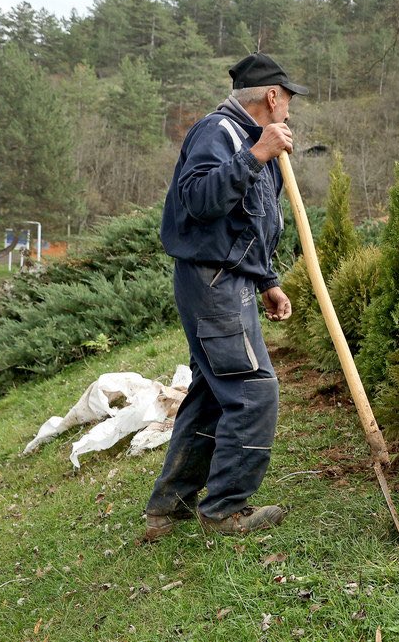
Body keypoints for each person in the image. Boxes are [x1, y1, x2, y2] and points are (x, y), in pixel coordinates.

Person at [143, 53, 305, 541]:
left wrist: (267, 280)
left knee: (214, 392)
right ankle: (225, 511)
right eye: (289, 96)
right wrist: (256, 156)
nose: (292, 108)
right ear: (272, 96)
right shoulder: (221, 133)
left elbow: (248, 222)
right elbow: (197, 201)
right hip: (213, 285)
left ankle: (167, 512)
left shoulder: (247, 139)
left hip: (228, 280)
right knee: (253, 390)